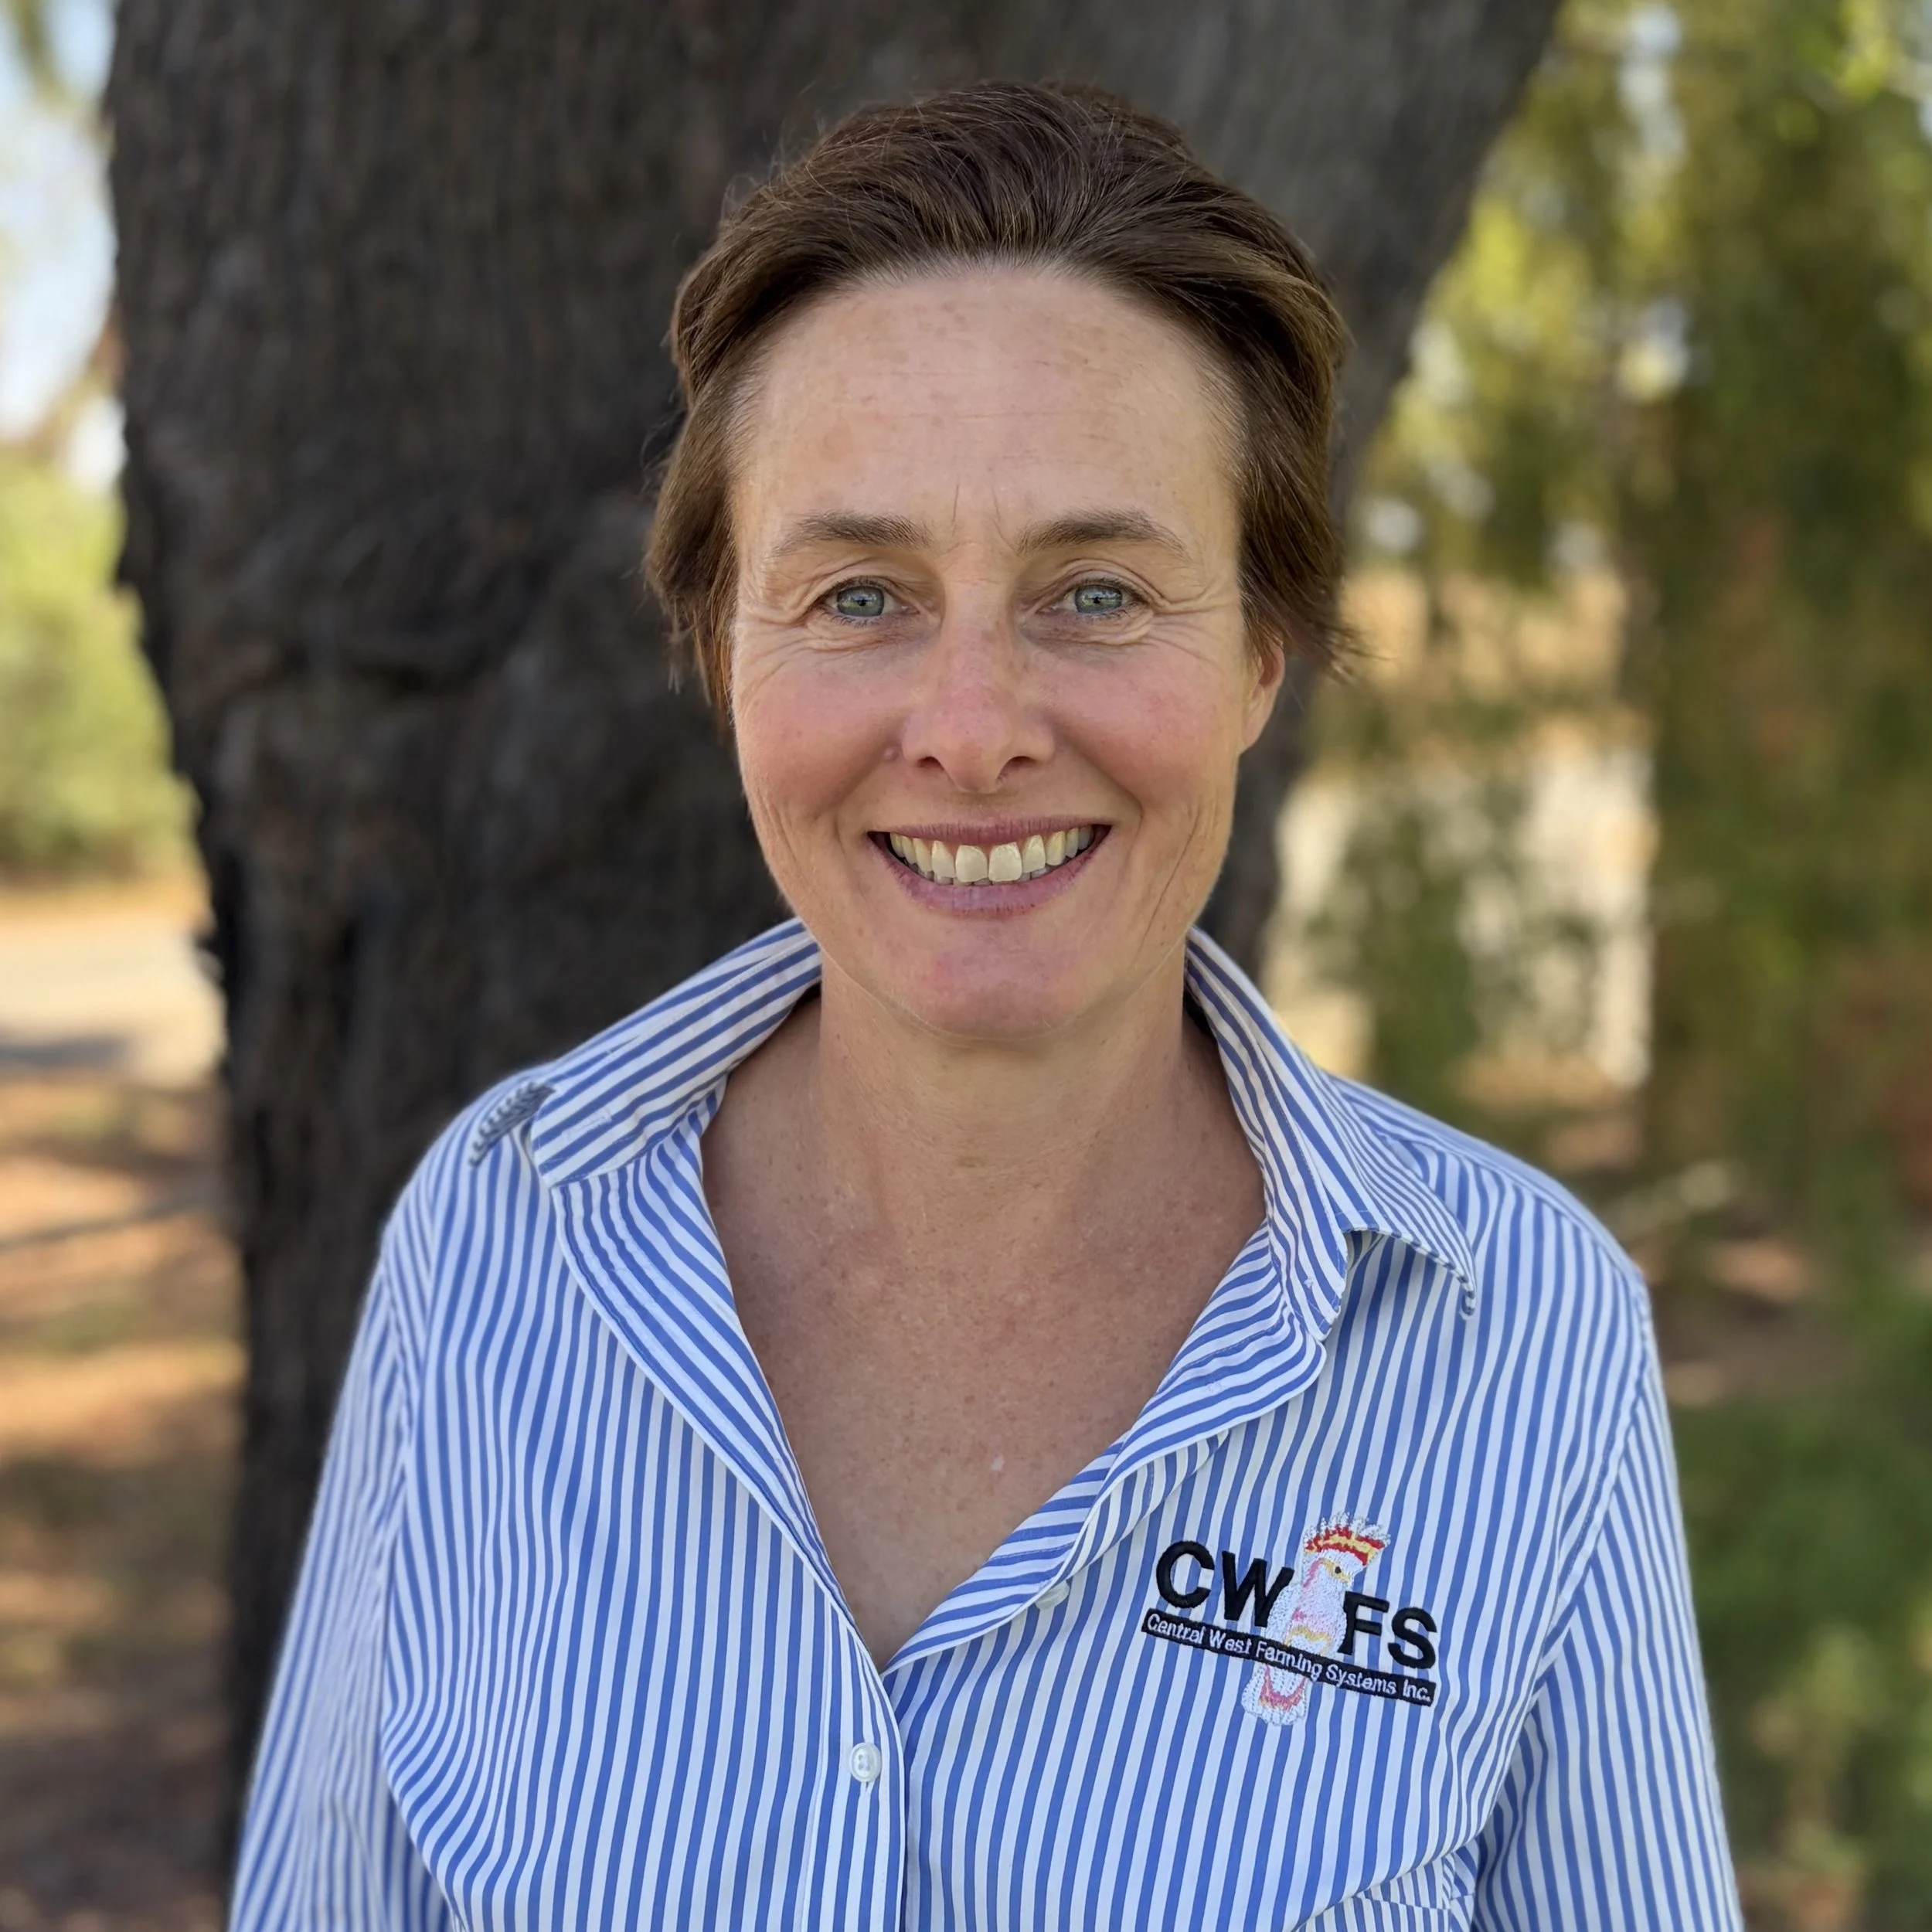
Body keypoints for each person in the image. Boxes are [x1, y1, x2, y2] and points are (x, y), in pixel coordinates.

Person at [230, 81, 1741, 1929]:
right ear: (721, 652)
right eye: (859, 593)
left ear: (1260, 651)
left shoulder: (1519, 1334)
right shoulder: (495, 1237)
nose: (967, 726)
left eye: (1095, 589)